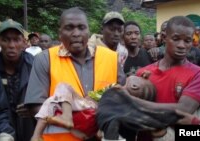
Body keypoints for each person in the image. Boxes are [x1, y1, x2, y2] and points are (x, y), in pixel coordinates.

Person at [24, 7, 126, 141]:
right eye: (69, 28)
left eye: (81, 27)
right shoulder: (45, 59)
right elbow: (36, 106)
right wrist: (78, 126)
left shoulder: (111, 58)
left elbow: (123, 98)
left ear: (88, 31)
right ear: (60, 33)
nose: (76, 33)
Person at [136, 16, 200, 141]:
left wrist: (131, 104)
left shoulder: (199, 74)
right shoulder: (143, 73)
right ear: (164, 38)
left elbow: (182, 111)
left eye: (187, 41)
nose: (181, 45)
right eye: (176, 39)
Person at [0, 19, 35, 141]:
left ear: (24, 42)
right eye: (6, 40)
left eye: (16, 40)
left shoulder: (35, 65)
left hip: (29, 129)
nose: (11, 45)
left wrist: (35, 107)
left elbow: (48, 96)